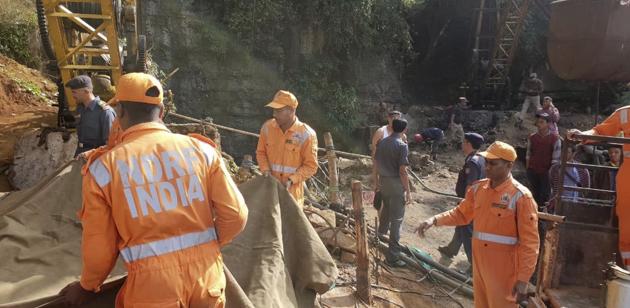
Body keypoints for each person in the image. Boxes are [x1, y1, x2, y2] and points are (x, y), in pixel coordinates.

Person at [59, 73, 248, 307]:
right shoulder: (203, 151)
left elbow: (101, 247)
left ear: (120, 113)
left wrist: (87, 286)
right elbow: (236, 216)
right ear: (162, 112)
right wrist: (207, 248)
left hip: (153, 291)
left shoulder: (103, 169)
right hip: (207, 280)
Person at [416, 141, 539, 308]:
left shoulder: (521, 197)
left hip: (504, 272)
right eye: (486, 162)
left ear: (509, 165)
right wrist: (434, 220)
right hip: (479, 266)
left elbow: (530, 244)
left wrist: (523, 279)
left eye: (493, 163)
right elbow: (461, 214)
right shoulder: (479, 189)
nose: (487, 167)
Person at [568, 105, 630, 268]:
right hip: (627, 182)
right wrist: (582, 135)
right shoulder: (625, 113)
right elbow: (601, 131)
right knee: (627, 227)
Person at [256, 90, 318, 207]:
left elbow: (311, 166)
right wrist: (266, 171)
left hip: (292, 196)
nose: (274, 114)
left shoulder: (307, 134)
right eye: (274, 110)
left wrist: (291, 180)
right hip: (270, 192)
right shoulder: (267, 128)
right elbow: (261, 153)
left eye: (278, 111)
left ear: (291, 111)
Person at [438, 133, 486, 265]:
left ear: (469, 144)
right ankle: (451, 249)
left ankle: (474, 265)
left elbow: (471, 185)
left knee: (467, 231)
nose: (462, 144)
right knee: (461, 225)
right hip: (475, 200)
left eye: (464, 142)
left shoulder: (473, 162)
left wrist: (465, 202)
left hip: (470, 202)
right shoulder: (480, 158)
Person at [373, 118, 412, 267]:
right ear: (404, 130)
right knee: (397, 219)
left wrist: (376, 182)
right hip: (396, 184)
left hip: (384, 182)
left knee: (386, 213)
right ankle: (393, 257)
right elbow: (403, 171)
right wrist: (408, 191)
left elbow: (376, 163)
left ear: (392, 127)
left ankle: (379, 241)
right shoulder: (402, 146)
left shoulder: (382, 142)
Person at [66, 75, 116, 156]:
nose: (73, 95)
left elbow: (110, 144)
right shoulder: (80, 109)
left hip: (96, 158)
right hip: (80, 154)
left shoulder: (105, 112)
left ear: (86, 91)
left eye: (74, 92)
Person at [526, 113, 561, 209]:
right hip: (533, 170)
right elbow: (528, 154)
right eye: (538, 122)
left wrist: (551, 173)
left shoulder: (555, 139)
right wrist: (528, 168)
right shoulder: (532, 137)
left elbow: (555, 159)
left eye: (541, 122)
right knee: (532, 195)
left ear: (548, 124)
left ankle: (543, 218)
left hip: (546, 172)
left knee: (544, 196)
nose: (539, 124)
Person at [548, 144, 590, 211]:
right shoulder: (555, 168)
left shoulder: (582, 169)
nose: (563, 154)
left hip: (575, 204)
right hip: (558, 203)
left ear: (573, 154)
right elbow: (552, 185)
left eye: (567, 152)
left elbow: (586, 187)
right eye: (562, 151)